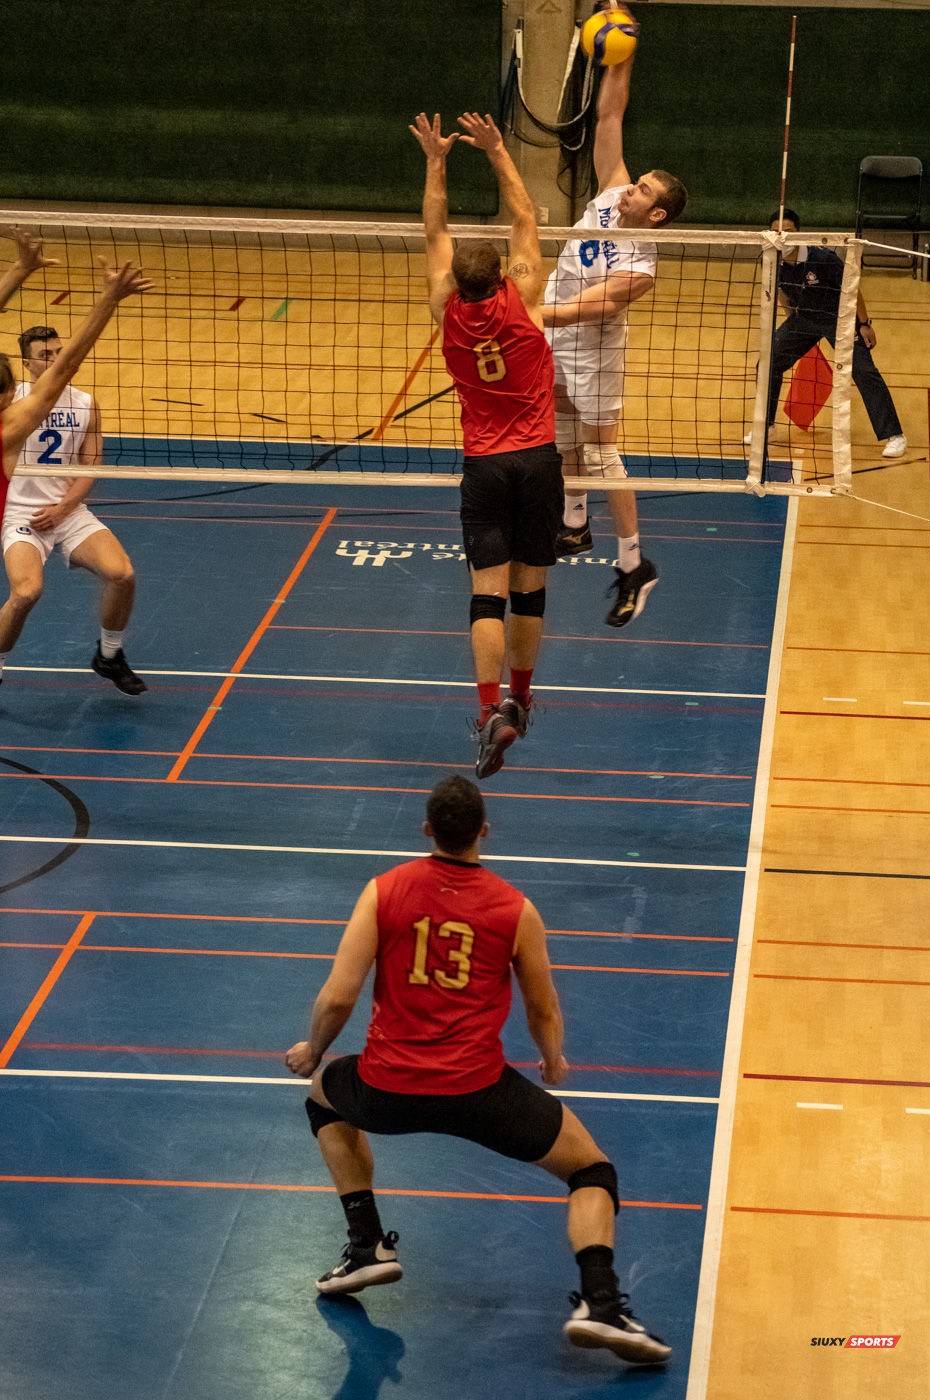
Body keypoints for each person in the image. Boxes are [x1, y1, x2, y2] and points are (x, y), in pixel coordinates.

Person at [285, 775, 672, 1365]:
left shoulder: (383, 891)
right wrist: (552, 1059)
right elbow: (541, 1005)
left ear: (427, 831)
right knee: (591, 1169)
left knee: (322, 1098)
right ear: (484, 831)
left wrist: (314, 1052)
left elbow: (339, 996)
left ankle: (366, 1243)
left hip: (386, 1087)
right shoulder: (515, 909)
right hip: (479, 1092)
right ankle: (600, 1301)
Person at [409, 110, 563, 780]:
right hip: (537, 459)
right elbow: (526, 215)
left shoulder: (445, 309)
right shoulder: (524, 297)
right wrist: (498, 152)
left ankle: (485, 712)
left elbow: (433, 228)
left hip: (484, 464)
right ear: (503, 277)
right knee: (530, 591)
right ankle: (522, 702)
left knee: (485, 596)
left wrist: (435, 159)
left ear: (456, 283)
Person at [540, 26, 687, 629]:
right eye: (638, 178)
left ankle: (633, 566)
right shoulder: (608, 193)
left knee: (601, 452)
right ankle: (574, 525)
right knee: (558, 426)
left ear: (655, 213)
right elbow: (610, 112)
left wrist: (536, 313)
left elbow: (597, 306)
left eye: (644, 188)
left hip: (593, 349)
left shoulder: (640, 260)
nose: (633, 185)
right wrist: (620, 48)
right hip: (554, 332)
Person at [0, 232, 153, 690]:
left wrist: (19, 271)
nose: (52, 359)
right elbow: (66, 366)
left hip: (66, 512)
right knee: (26, 591)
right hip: (19, 515)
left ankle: (109, 655)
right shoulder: (15, 420)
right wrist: (108, 299)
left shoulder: (82, 403)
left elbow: (91, 459)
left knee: (122, 573)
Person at [753, 208, 906, 459]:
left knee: (864, 371)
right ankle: (767, 427)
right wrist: (792, 328)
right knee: (768, 363)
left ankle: (895, 435)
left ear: (799, 234)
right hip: (803, 319)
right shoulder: (771, 258)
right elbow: (781, 292)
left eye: (789, 232)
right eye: (777, 232)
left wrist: (864, 324)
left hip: (839, 320)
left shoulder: (824, 259)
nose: (783, 237)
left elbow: (852, 289)